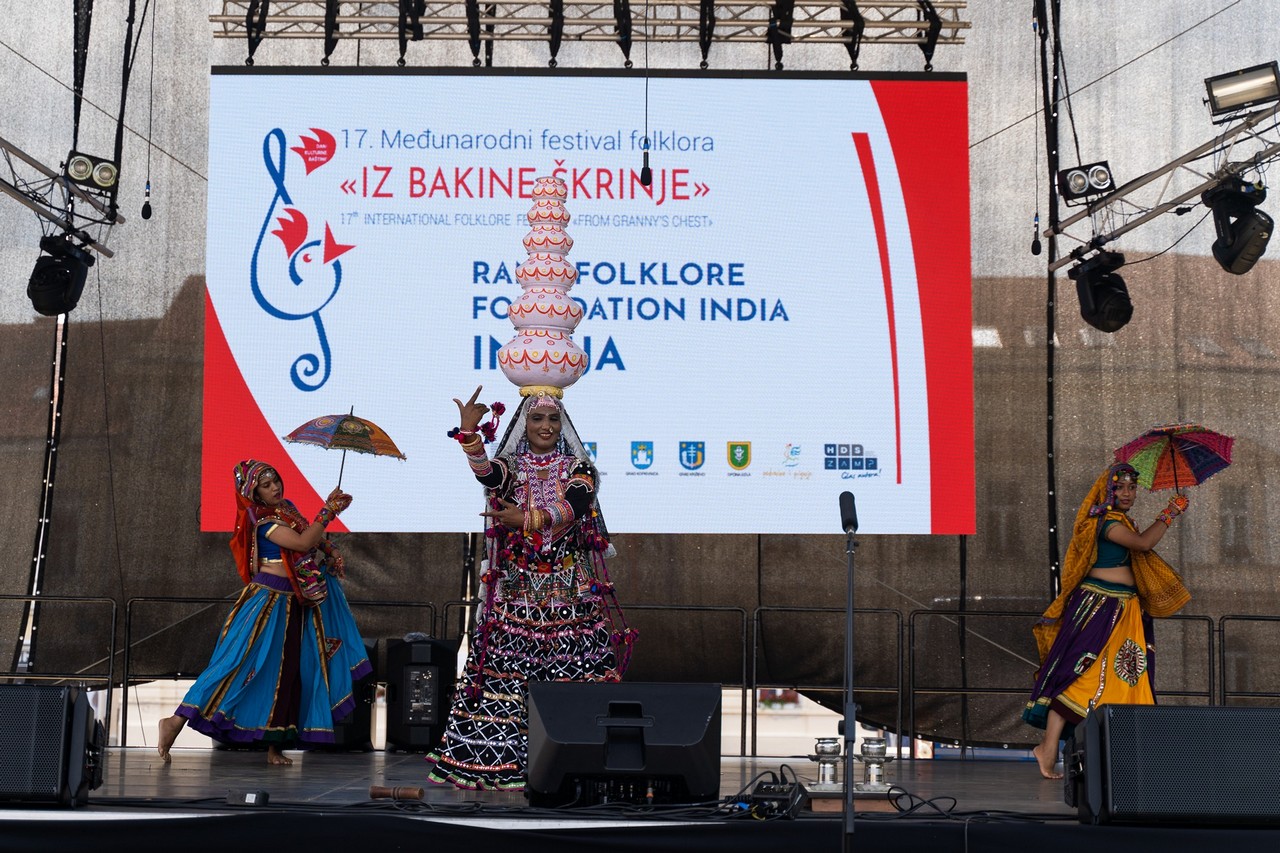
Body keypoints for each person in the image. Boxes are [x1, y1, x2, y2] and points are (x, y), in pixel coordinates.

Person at [426, 386, 636, 790]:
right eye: (537, 418)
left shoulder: (579, 468)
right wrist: (469, 435)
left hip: (569, 594)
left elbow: (573, 506)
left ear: (563, 425)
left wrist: (526, 518)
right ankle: (501, 763)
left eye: (553, 419)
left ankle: (578, 761)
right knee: (506, 676)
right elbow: (487, 474)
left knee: (576, 675)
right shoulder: (513, 466)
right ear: (524, 424)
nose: (546, 426)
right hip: (517, 592)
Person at [156, 460, 371, 765]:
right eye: (266, 485)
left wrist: (331, 551)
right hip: (267, 604)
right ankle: (175, 721)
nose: (275, 488)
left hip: (295, 603)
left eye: (276, 481)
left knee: (288, 674)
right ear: (254, 492)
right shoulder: (262, 519)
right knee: (233, 664)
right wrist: (328, 511)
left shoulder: (286, 508)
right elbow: (302, 542)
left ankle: (274, 746)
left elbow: (310, 535)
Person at [1023, 461, 1191, 779]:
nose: (1127, 493)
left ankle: (1118, 755)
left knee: (1126, 680)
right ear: (1106, 491)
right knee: (1078, 677)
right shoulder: (1105, 522)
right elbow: (1143, 544)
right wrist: (1170, 512)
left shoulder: (1123, 521)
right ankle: (1048, 748)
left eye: (1132, 487)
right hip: (1099, 607)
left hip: (1126, 612)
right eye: (1120, 487)